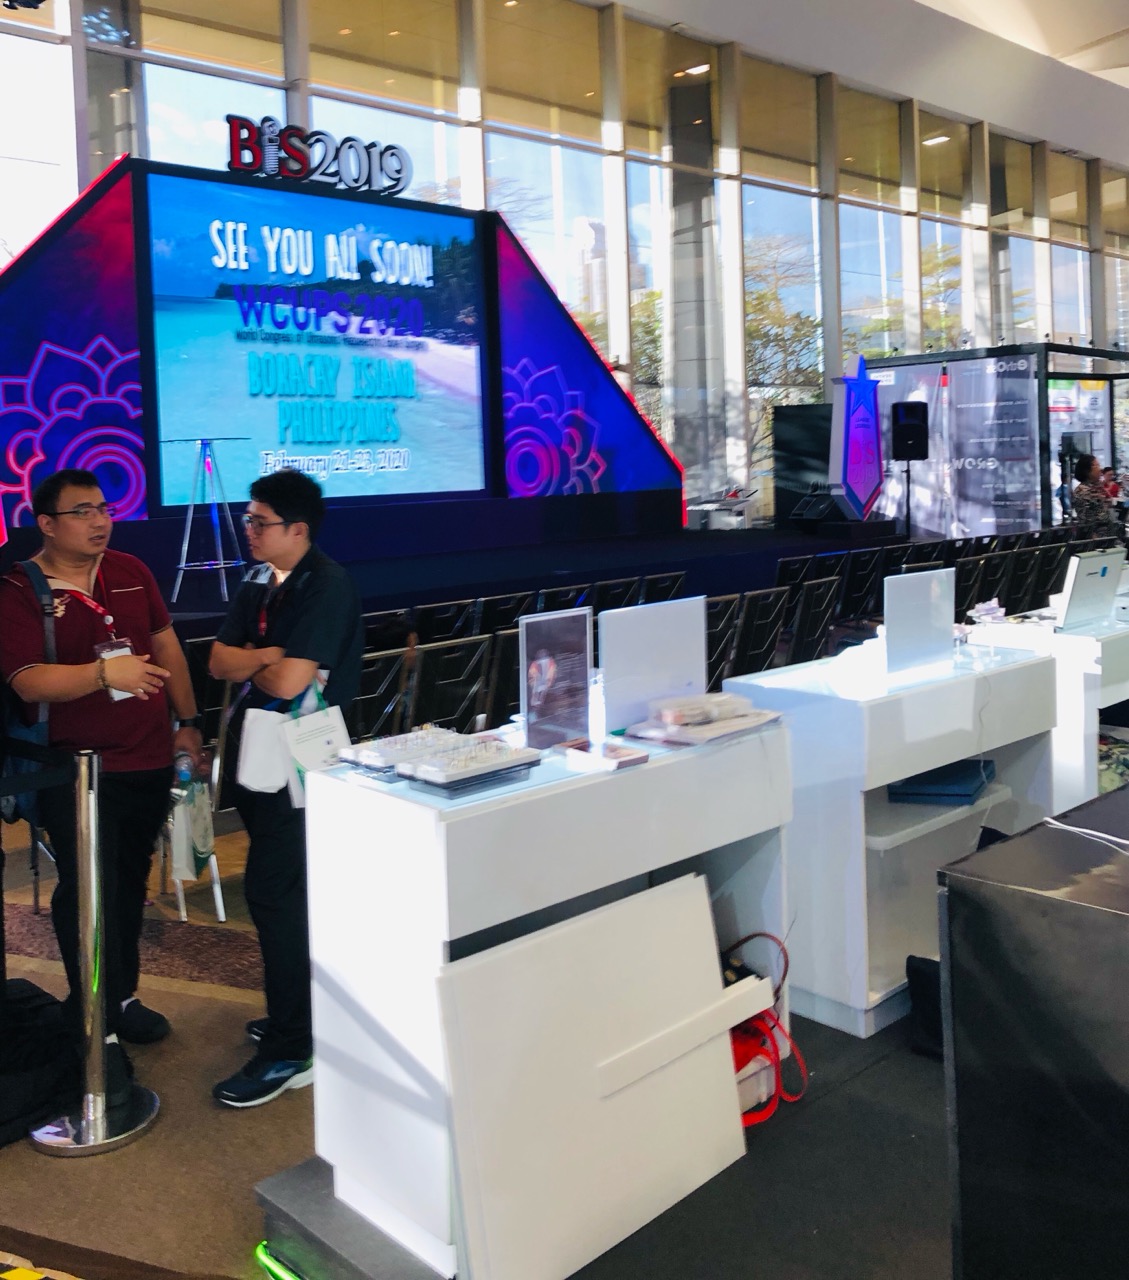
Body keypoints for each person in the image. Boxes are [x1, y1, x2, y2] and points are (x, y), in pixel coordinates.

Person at [0, 469, 203, 1098]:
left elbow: (167, 649)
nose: (99, 521)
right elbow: (27, 680)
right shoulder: (19, 589)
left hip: (147, 758)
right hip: (76, 771)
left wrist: (188, 722)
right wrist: (101, 674)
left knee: (127, 884)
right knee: (87, 892)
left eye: (104, 508)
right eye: (82, 511)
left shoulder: (131, 570)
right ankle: (95, 1024)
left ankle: (122, 997)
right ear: (47, 523)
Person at [208, 469, 361, 1108]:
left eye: (259, 521)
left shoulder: (326, 584)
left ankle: (293, 1047)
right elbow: (218, 660)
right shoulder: (257, 579)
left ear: (298, 529)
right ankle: (296, 1017)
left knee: (276, 893)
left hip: (304, 762)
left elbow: (290, 682)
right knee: (280, 893)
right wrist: (267, 656)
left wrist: (263, 659)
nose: (248, 530)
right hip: (260, 758)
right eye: (248, 519)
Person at [1072, 454, 1120, 536]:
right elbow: (1087, 521)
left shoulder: (1097, 487)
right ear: (1087, 470)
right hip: (1097, 536)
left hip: (1108, 534)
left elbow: (1107, 505)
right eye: (1097, 465)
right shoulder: (1083, 490)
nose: (1100, 469)